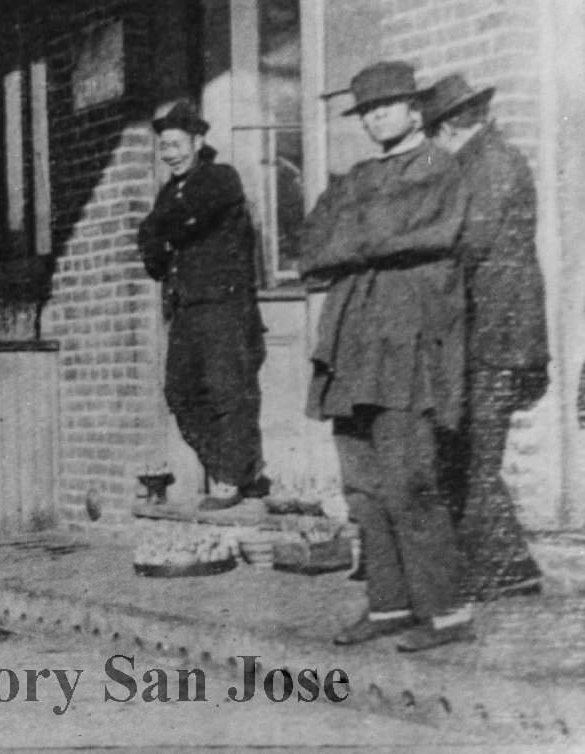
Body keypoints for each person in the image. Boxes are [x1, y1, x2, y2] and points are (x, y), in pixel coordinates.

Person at [300, 61, 473, 651]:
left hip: (406, 344)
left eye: (386, 106)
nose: (376, 117)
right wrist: (366, 237)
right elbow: (313, 245)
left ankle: (446, 613)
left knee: (410, 482)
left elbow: (418, 233)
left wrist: (359, 237)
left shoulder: (439, 166)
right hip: (351, 346)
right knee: (363, 487)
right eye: (367, 110)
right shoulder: (356, 177)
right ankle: (389, 606)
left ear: (414, 109)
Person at [424, 74, 550, 601]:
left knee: (477, 456)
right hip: (490, 334)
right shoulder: (481, 161)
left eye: (435, 130)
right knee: (469, 452)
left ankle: (498, 572)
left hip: (499, 338)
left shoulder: (491, 163)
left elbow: (469, 243)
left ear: (453, 124)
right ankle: (509, 566)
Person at [138, 101, 269, 511]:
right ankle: (239, 471)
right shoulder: (168, 192)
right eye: (164, 147)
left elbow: (180, 222)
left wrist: (161, 229)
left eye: (177, 144)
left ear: (198, 142)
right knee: (180, 392)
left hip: (222, 305)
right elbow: (152, 252)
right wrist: (160, 232)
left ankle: (231, 480)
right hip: (185, 308)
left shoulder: (219, 179)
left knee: (227, 391)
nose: (170, 154)